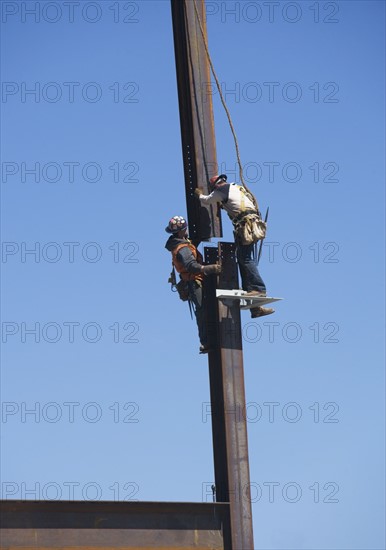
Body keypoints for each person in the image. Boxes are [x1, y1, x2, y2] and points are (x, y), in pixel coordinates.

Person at [195, 175, 274, 318]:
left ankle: (258, 289)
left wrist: (199, 194)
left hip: (246, 226)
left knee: (246, 259)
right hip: (253, 224)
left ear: (215, 186)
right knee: (243, 258)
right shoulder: (235, 188)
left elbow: (206, 201)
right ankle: (255, 306)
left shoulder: (220, 190)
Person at [165, 215, 221, 354]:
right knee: (202, 311)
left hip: (195, 281)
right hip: (194, 282)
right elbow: (191, 266)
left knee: (204, 310)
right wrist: (210, 268)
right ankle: (205, 341)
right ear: (181, 231)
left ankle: (207, 340)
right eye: (185, 228)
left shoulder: (182, 243)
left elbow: (192, 247)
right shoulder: (182, 248)